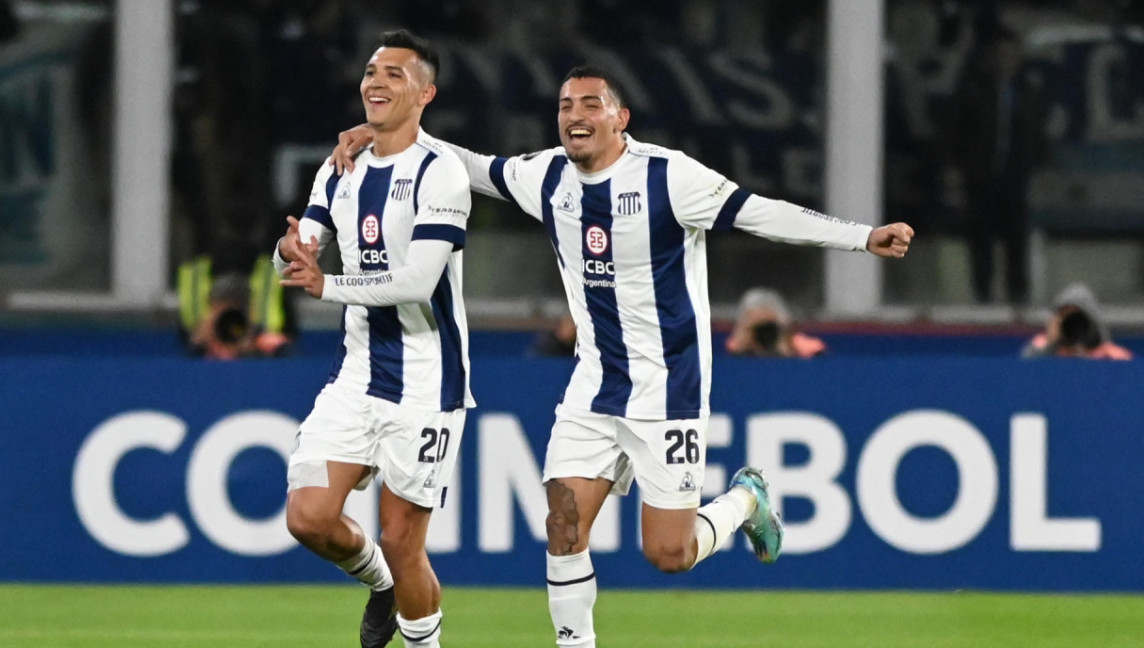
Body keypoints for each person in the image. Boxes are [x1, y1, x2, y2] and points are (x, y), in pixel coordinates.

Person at [334, 65, 914, 648]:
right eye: (565, 106)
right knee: (562, 523)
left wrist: (861, 236)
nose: (575, 116)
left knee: (669, 553)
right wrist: (392, 135)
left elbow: (763, 212)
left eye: (590, 104)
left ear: (620, 118)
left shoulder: (669, 177)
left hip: (669, 387)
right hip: (594, 383)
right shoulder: (548, 176)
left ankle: (744, 501)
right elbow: (475, 167)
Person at [276, 30, 473, 648]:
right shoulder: (338, 168)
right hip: (359, 374)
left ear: (425, 93)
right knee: (308, 518)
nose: (376, 82)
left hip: (427, 382)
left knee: (401, 538)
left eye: (394, 73)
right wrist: (287, 255)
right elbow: (297, 256)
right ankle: (379, 585)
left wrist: (325, 283)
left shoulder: (442, 174)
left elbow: (417, 280)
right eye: (370, 71)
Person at [946, 23, 1048, 304]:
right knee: (981, 240)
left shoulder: (1027, 91)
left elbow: (1037, 135)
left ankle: (1018, 296)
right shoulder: (973, 89)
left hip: (1015, 179)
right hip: (981, 177)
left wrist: (1040, 169)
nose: (1005, 60)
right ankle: (983, 296)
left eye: (1011, 54)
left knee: (1016, 240)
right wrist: (957, 170)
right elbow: (956, 132)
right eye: (1000, 54)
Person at [1022, 283, 1132, 360]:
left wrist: (1083, 353)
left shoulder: (1112, 356)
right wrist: (1050, 345)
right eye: (1065, 315)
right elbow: (1025, 372)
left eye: (1078, 318)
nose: (1073, 325)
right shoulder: (1040, 346)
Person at [725, 287, 826, 358]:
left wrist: (786, 349)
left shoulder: (805, 346)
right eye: (758, 328)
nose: (765, 333)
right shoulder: (739, 343)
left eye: (769, 327)